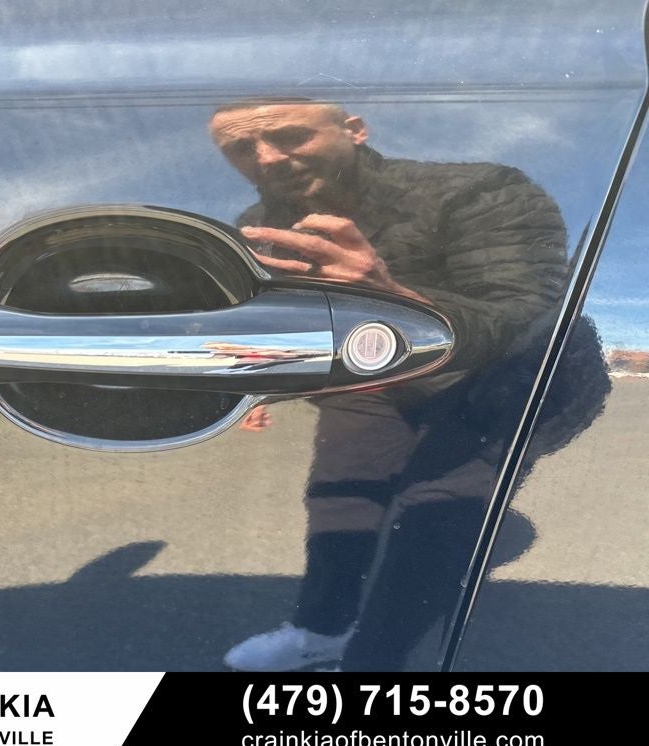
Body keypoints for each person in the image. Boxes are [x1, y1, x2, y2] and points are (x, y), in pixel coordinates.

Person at [209, 98, 602, 670]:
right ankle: (322, 631)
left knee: (434, 515)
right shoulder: (260, 223)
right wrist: (255, 386)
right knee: (340, 498)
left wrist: (389, 294)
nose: (266, 157)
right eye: (241, 147)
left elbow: (524, 315)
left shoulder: (481, 191)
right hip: (376, 377)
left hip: (500, 379)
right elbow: (277, 322)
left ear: (355, 130)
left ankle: (376, 662)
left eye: (290, 135)